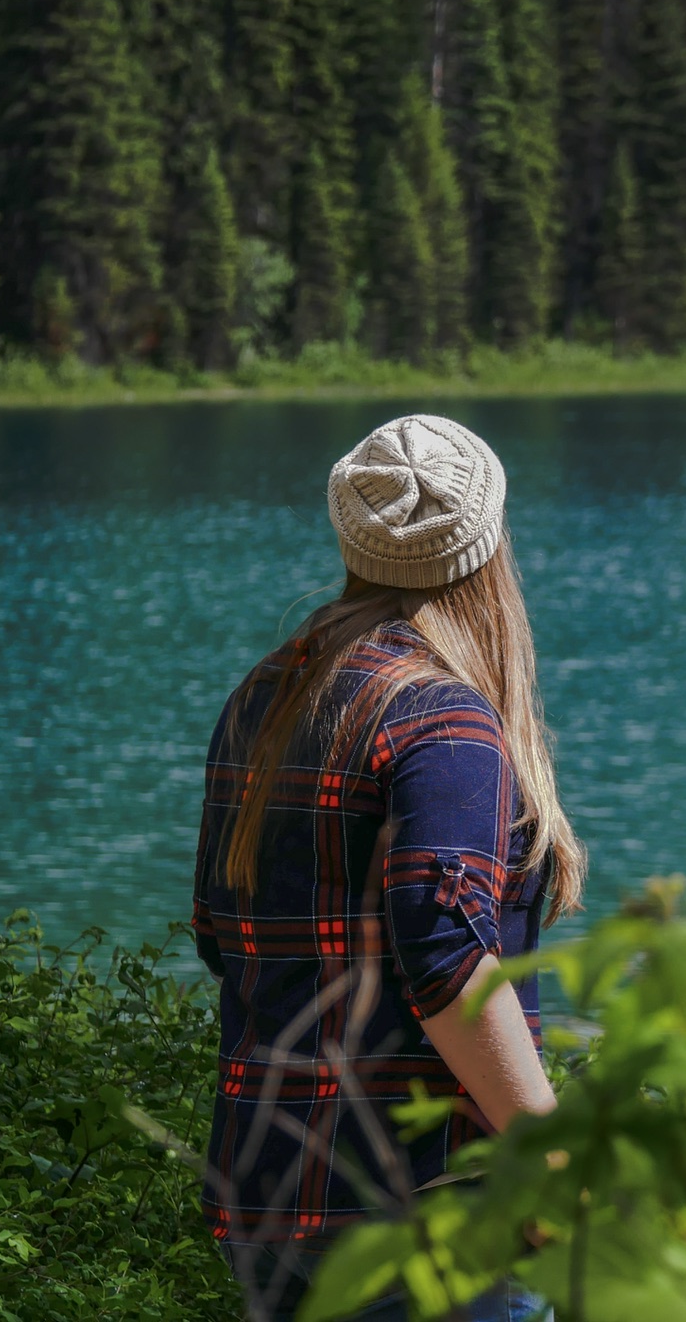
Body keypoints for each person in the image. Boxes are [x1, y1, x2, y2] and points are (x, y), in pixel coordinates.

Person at [193, 414, 583, 1322]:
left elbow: (221, 934)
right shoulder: (445, 721)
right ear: (489, 552)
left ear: (350, 532)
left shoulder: (263, 696)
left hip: (270, 1190)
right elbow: (446, 963)